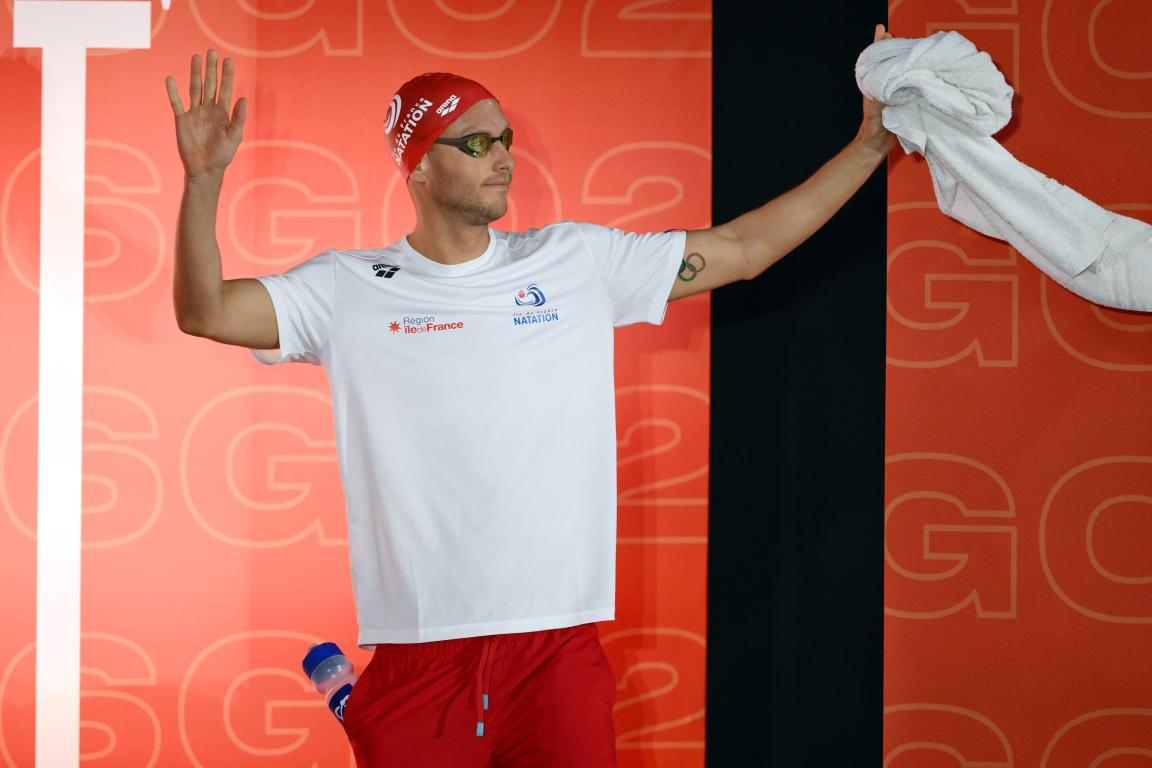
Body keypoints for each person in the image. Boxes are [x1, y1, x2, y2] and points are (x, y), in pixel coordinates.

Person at [164, 24, 897, 768]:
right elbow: (207, 312)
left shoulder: (577, 260)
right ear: (417, 166)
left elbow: (743, 250)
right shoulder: (345, 288)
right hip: (420, 657)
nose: (506, 158)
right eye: (477, 144)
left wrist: (870, 145)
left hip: (557, 651)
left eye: (505, 138)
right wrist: (202, 184)